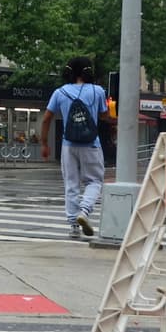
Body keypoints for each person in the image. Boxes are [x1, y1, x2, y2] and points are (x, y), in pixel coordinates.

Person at [40, 56, 110, 240]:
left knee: (71, 184)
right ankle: (84, 212)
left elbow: (47, 118)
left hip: (68, 145)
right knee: (94, 181)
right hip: (91, 144)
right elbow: (104, 115)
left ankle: (73, 225)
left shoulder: (60, 92)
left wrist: (44, 143)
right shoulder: (97, 91)